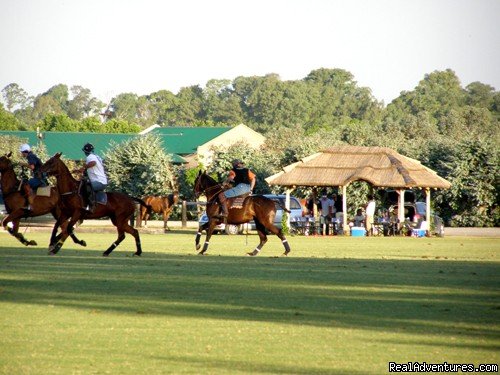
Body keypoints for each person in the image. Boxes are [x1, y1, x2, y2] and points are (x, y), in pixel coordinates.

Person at [78, 143, 108, 212]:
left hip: (99, 182)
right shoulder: (95, 156)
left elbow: (93, 163)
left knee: (84, 188)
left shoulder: (90, 157)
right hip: (102, 181)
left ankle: (90, 206)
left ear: (85, 151)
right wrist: (79, 170)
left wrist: (84, 167)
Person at [19, 144, 46, 209]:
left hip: (39, 178)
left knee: (26, 185)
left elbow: (32, 167)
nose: (22, 154)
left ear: (25, 152)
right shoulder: (31, 155)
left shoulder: (30, 156)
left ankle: (30, 205)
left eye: (22, 152)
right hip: (39, 177)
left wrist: (23, 164)